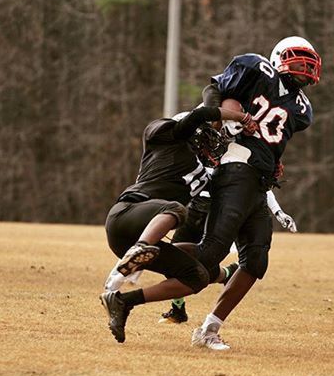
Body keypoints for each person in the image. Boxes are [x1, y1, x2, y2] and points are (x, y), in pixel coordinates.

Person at [188, 36, 322, 350]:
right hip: (235, 168)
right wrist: (216, 119)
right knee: (211, 251)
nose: (303, 66)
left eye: (308, 61)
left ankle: (209, 328)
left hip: (259, 179)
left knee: (256, 260)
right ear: (278, 58)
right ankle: (144, 257)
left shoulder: (301, 107)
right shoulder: (256, 68)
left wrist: (274, 162)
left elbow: (274, 138)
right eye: (297, 58)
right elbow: (217, 92)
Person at [99, 105, 258, 343]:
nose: (210, 142)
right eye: (205, 134)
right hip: (128, 214)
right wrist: (241, 117)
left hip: (150, 230)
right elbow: (200, 115)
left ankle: (123, 302)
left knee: (197, 277)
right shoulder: (164, 134)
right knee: (175, 208)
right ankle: (139, 250)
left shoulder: (203, 172)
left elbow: (234, 195)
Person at [159, 188, 297, 324]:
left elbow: (259, 184)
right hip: (193, 208)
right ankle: (178, 308)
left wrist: (278, 211)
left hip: (218, 213)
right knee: (172, 259)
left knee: (203, 268)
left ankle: (225, 275)